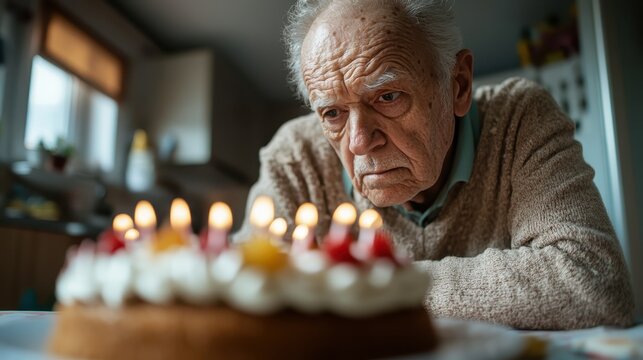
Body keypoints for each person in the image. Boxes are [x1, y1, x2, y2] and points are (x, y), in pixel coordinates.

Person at [235, 0, 634, 329]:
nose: (359, 142)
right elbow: (241, 296)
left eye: (387, 96)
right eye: (333, 114)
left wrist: (374, 287)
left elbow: (594, 282)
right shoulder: (296, 155)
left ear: (457, 85)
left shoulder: (518, 120)